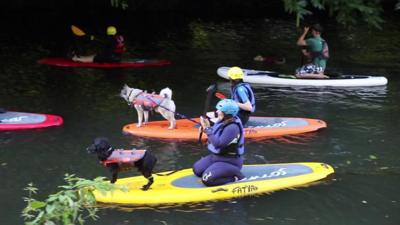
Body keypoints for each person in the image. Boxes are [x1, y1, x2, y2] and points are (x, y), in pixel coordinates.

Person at [193, 99, 245, 186]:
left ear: (226, 113)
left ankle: (236, 175)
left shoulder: (232, 127)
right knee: (197, 170)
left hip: (230, 161)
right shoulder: (222, 121)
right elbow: (214, 132)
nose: (217, 111)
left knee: (207, 180)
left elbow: (219, 144)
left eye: (219, 110)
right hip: (217, 157)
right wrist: (205, 127)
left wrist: (207, 129)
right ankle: (217, 169)